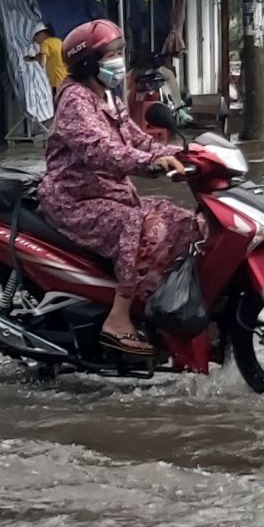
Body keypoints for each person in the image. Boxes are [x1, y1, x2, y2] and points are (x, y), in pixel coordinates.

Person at [37, 19, 203, 357]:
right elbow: (101, 150)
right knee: (138, 225)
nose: (117, 60)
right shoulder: (75, 101)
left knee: (186, 222)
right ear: (88, 63)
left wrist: (189, 153)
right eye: (109, 55)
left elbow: (138, 140)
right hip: (74, 199)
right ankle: (118, 318)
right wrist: (149, 165)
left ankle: (162, 306)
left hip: (110, 195)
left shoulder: (108, 97)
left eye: (118, 52)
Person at [31, 24, 69, 91]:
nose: (36, 42)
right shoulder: (58, 41)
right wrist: (33, 58)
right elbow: (52, 56)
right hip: (67, 79)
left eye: (35, 38)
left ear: (42, 33)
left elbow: (42, 63)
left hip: (57, 83)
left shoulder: (45, 43)